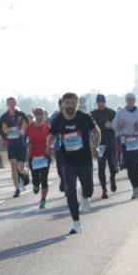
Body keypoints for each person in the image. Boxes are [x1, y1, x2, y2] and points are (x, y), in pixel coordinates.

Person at [47, 93, 100, 234]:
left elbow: (96, 131)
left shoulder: (84, 117)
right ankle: (76, 222)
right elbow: (51, 137)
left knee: (88, 190)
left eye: (72, 103)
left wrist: (95, 147)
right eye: (67, 103)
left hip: (84, 159)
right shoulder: (58, 120)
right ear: (63, 104)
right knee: (69, 190)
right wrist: (49, 147)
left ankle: (85, 195)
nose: (70, 106)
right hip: (67, 161)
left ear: (76, 103)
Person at [112, 94, 138, 199]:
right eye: (128, 100)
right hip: (125, 142)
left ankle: (137, 189)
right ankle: (134, 189)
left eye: (132, 100)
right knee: (129, 167)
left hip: (136, 141)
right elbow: (114, 126)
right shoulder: (120, 113)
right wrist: (120, 126)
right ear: (126, 101)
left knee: (135, 166)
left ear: (135, 100)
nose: (130, 101)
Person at [0, 97, 30, 197]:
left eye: (13, 102)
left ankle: (24, 173)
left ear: (16, 103)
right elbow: (1, 130)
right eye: (9, 102)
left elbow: (27, 128)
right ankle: (17, 189)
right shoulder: (4, 117)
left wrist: (23, 131)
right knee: (13, 165)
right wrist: (6, 132)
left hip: (21, 143)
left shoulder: (22, 115)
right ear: (7, 104)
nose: (11, 104)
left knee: (20, 167)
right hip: (11, 143)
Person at [89, 94, 118, 200]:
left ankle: (113, 179)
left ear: (105, 102)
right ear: (96, 103)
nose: (100, 104)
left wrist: (112, 126)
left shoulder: (112, 112)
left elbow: (119, 126)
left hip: (111, 143)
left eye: (102, 102)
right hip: (99, 145)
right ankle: (104, 190)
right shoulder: (92, 114)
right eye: (99, 102)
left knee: (112, 165)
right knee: (101, 167)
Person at [26, 107, 52, 209]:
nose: (39, 117)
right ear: (35, 115)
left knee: (44, 179)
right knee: (36, 180)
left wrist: (51, 147)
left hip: (45, 156)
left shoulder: (47, 127)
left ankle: (43, 200)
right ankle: (36, 185)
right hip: (33, 157)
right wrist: (28, 146)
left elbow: (53, 139)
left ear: (43, 115)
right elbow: (24, 140)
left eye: (41, 114)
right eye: (37, 114)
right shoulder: (29, 127)